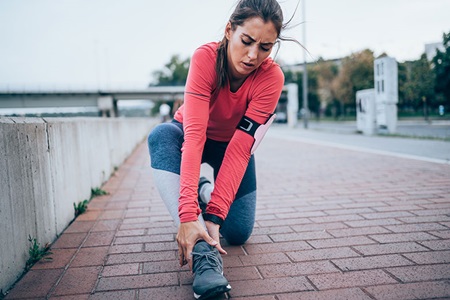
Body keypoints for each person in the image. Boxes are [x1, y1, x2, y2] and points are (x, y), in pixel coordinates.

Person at [148, 0, 295, 298]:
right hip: (191, 137)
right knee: (160, 134)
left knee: (238, 232)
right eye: (247, 41)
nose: (253, 55)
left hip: (232, 146)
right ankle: (204, 257)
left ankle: (206, 191)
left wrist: (214, 216)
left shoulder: (271, 77)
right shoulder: (205, 58)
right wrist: (190, 216)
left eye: (265, 47)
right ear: (229, 30)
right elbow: (194, 137)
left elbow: (241, 150)